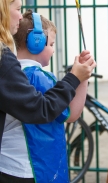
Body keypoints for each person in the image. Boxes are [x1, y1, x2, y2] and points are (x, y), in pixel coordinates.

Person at [0, 0, 96, 182]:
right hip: (30, 169)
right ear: (35, 43)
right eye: (51, 44)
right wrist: (81, 79)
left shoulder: (13, 72)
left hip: (7, 165)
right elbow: (71, 114)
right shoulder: (38, 77)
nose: (53, 50)